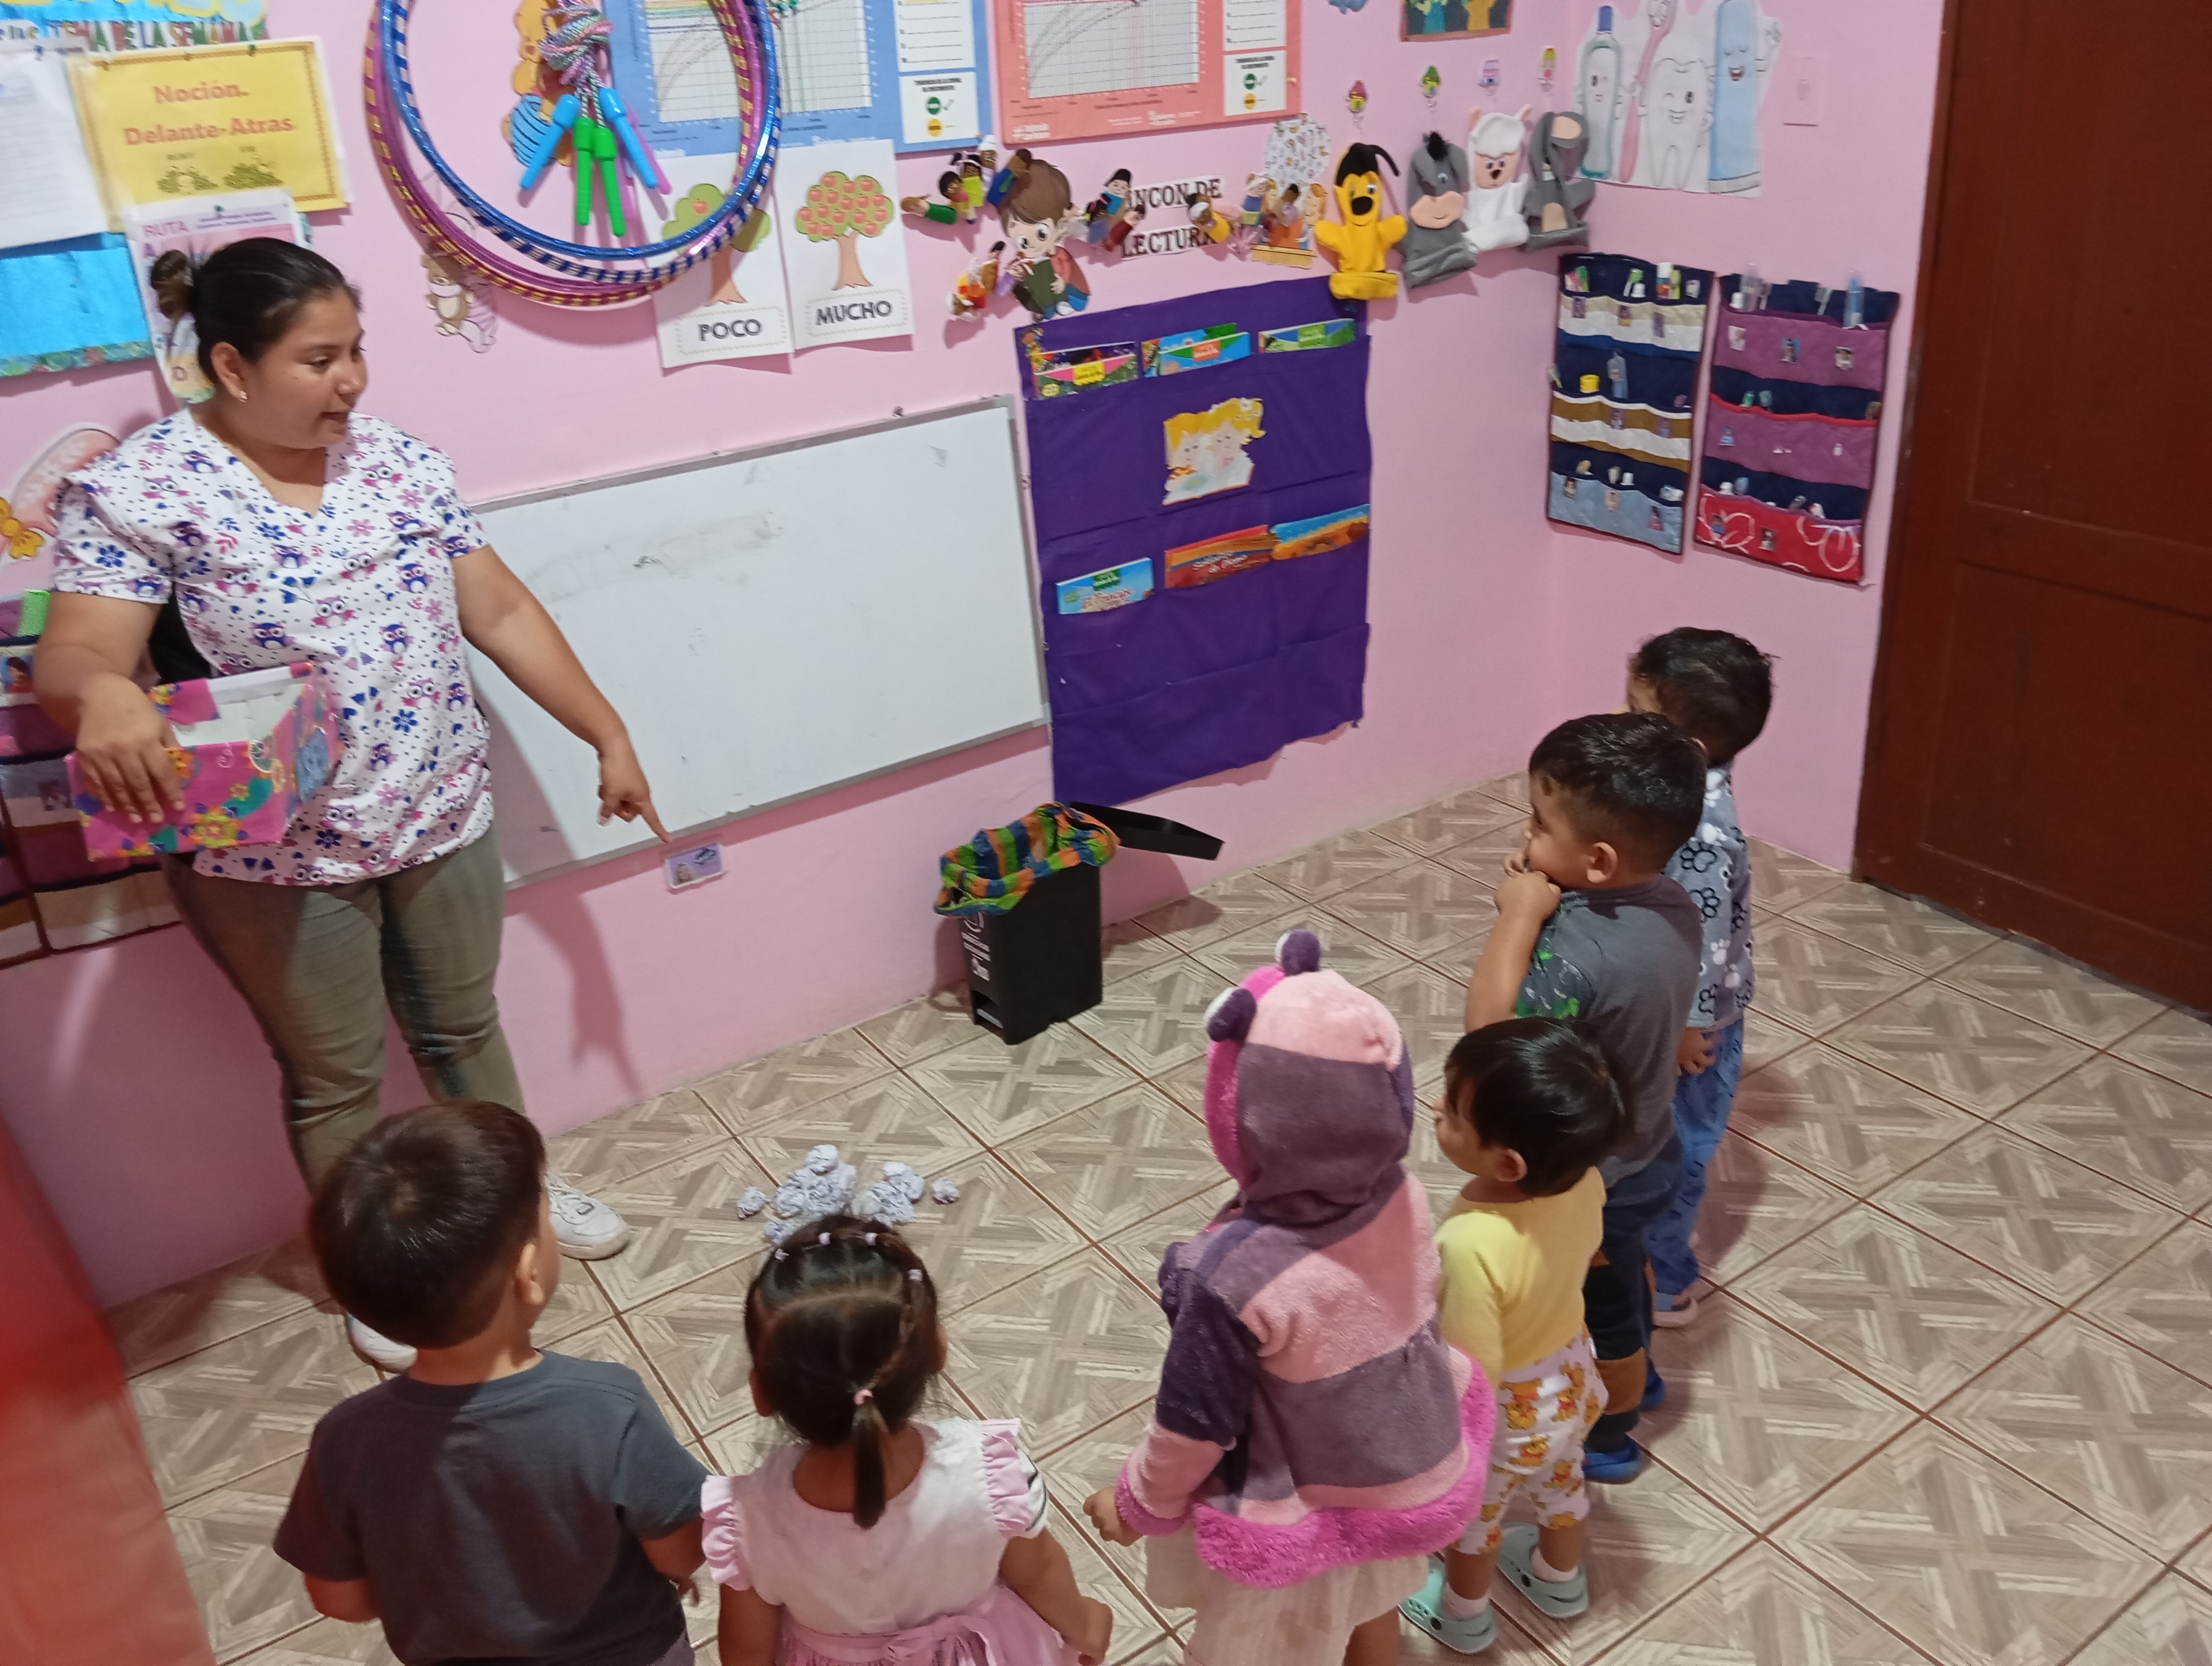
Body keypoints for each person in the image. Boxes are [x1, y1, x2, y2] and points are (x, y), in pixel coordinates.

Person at [33, 239, 662, 1369]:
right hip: (272, 857)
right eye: (319, 359)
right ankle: (373, 1270)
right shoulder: (146, 490)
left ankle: (516, 1206)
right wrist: (105, 694)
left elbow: (501, 612)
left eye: (357, 351)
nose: (351, 381)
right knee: (336, 1077)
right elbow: (74, 653)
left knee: (465, 1030)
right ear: (232, 365)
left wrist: (607, 731)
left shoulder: (400, 465)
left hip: (436, 808)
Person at [1086, 930, 1488, 1666]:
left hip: (1291, 1513)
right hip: (1393, 1471)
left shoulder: (1230, 1277)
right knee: (1371, 1606)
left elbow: (1194, 1426)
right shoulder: (1400, 1192)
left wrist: (1137, 1502)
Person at [274, 1101, 708, 1666]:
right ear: (529, 1274)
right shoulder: (608, 1408)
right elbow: (682, 1550)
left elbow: (340, 1599)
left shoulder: (344, 1440)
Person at [1460, 713, 1703, 1482]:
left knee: (1600, 1309)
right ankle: (1644, 1377)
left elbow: (1490, 1034)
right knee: (1627, 1271)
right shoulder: (1673, 904)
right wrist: (1550, 881)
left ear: (1598, 860)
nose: (1526, 836)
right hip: (1652, 1148)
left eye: (1539, 823)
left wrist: (1518, 917)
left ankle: (1612, 1434)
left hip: (1597, 1177)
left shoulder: (1578, 954)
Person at [704, 1215, 1113, 1666]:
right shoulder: (992, 1475)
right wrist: (1085, 1627)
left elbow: (746, 1650)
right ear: (938, 1349)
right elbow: (1037, 1573)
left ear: (761, 1393)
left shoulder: (747, 1519)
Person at [1401, 1020, 1630, 1655]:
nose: (1436, 1110)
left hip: (1505, 1409)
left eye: (1454, 1113)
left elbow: (1470, 1362)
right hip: (1572, 1375)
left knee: (1477, 1521)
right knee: (1563, 1483)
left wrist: (1445, 1436)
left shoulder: (1470, 1240)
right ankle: (1559, 1578)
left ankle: (1463, 1614)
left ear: (1507, 1163)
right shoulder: (1586, 1180)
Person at [1624, 628, 1772, 1327]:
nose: (1624, 723)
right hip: (1666, 1003)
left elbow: (1706, 942)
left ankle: (1666, 1281)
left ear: (1685, 743)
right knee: (1643, 1137)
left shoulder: (1701, 833)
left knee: (1677, 1150)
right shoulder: (1688, 776)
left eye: (1637, 713)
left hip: (1695, 1021)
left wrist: (1692, 1027)